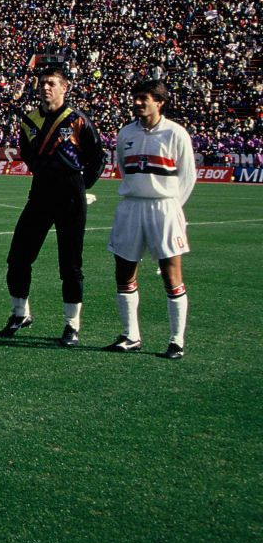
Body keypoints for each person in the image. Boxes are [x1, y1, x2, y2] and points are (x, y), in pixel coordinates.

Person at [2, 67, 106, 346]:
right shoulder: (29, 120)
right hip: (40, 192)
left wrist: (82, 187)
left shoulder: (77, 120)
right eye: (42, 83)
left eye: (52, 83)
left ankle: (72, 325)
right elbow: (26, 151)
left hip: (70, 193)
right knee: (18, 257)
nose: (45, 87)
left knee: (70, 264)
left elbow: (97, 158)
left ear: (65, 87)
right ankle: (20, 313)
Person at [106, 79, 196, 359]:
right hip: (131, 207)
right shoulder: (126, 133)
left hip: (165, 208)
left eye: (144, 98)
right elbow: (123, 167)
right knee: (124, 272)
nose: (137, 103)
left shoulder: (175, 133)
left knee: (171, 275)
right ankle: (131, 335)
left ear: (159, 102)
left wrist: (172, 208)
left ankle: (176, 340)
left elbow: (188, 176)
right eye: (135, 97)